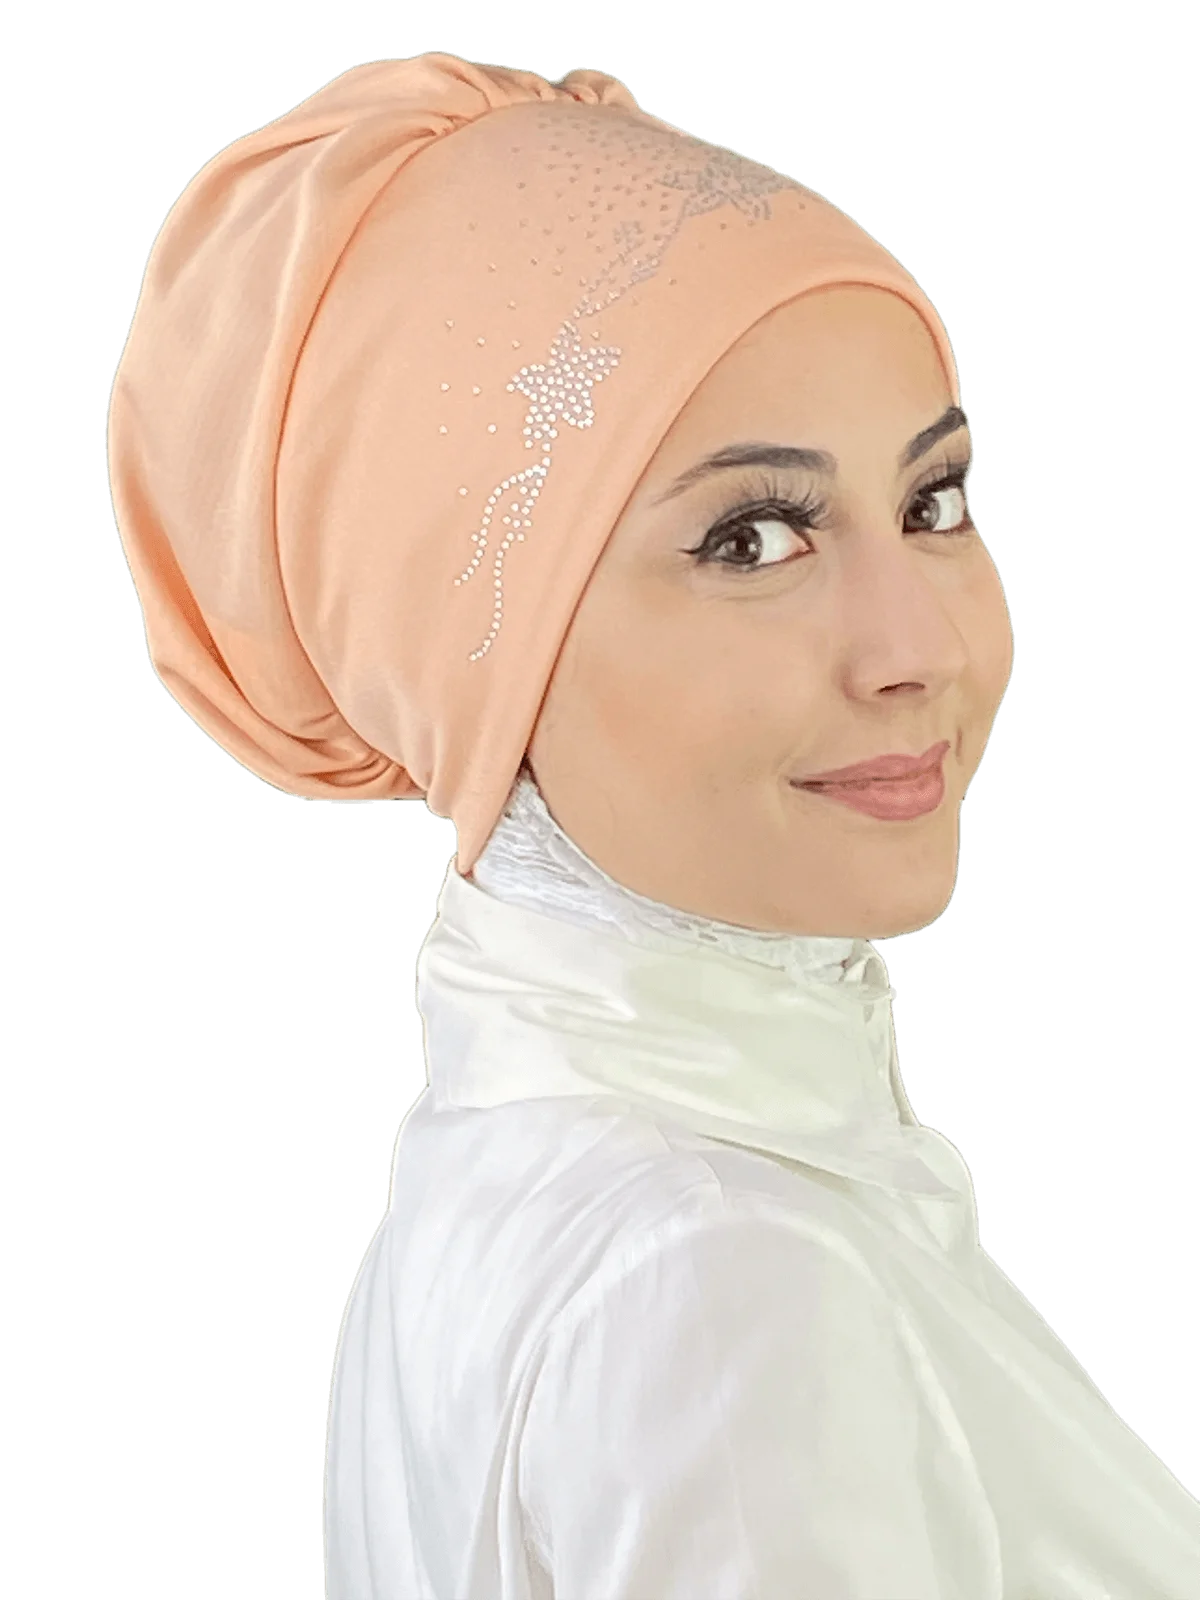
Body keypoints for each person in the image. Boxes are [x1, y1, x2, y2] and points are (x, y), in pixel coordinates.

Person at [105, 53, 1199, 1600]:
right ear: (473, 646)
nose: (919, 648)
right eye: (753, 538)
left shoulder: (508, 1161)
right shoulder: (725, 1276)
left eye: (937, 503)